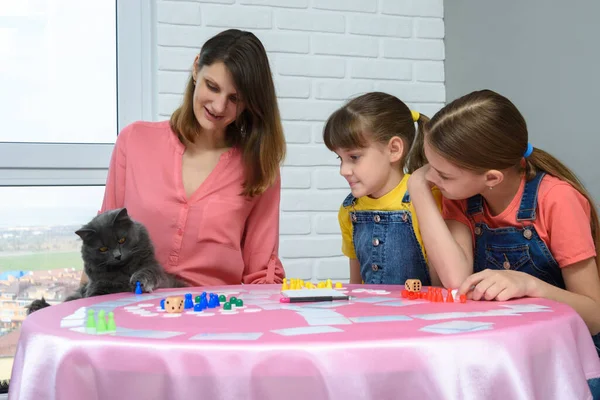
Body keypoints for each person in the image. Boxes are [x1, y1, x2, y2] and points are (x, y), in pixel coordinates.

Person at [82, 29, 286, 287]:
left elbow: (261, 275)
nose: (219, 107)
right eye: (212, 87)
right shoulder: (134, 142)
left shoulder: (258, 167)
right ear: (195, 68)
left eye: (235, 99)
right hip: (129, 318)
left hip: (215, 319)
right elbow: (98, 246)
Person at [407, 89, 600, 354]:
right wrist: (417, 188)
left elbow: (594, 315)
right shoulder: (461, 196)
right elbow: (454, 280)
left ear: (492, 178)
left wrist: (530, 285)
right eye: (430, 168)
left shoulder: (557, 199)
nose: (431, 178)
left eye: (443, 175)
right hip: (503, 350)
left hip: (566, 356)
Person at [323, 92, 442, 286]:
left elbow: (441, 284)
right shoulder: (350, 209)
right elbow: (356, 284)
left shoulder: (427, 198)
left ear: (394, 149)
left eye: (354, 157)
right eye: (340, 158)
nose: (343, 170)